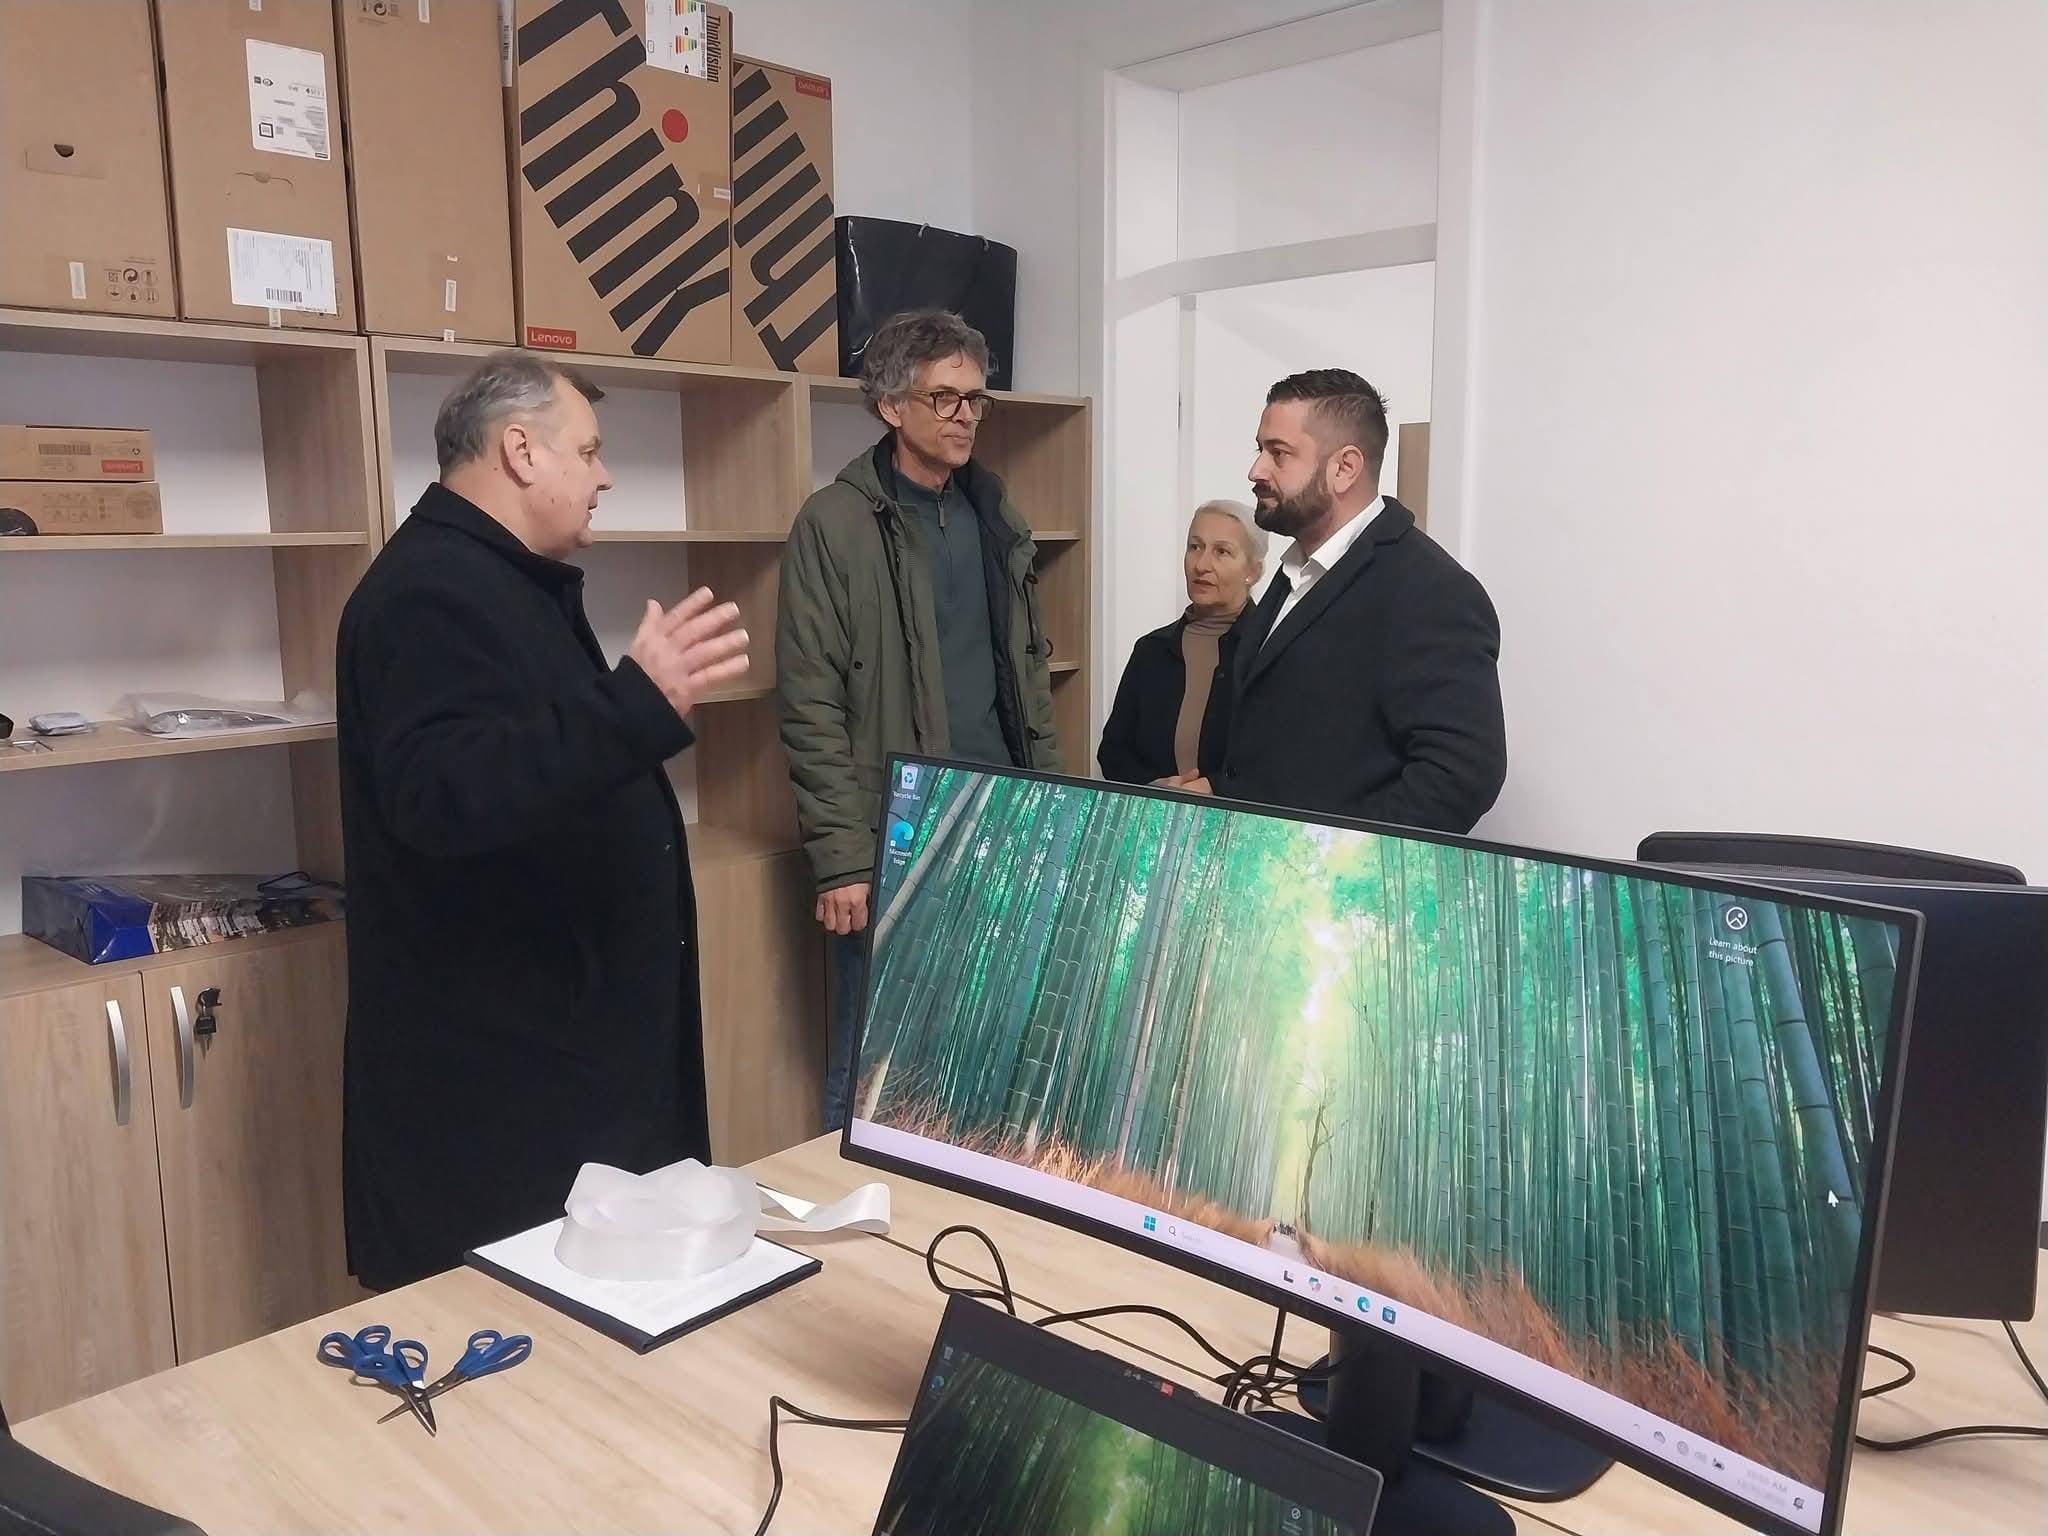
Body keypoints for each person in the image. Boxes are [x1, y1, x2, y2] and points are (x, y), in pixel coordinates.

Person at [336, 353, 749, 1291]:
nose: (606, 476)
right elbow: (445, 795)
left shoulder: (502, 580)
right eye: (591, 452)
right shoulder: (428, 593)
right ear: (521, 451)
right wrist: (631, 705)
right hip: (501, 1089)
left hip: (560, 1062)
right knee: (518, 1339)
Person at [778, 310, 1061, 1131]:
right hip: (897, 829)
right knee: (872, 1057)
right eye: (945, 398)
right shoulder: (835, 524)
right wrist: (840, 859)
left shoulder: (997, 514)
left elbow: (1027, 680)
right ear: (890, 405)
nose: (966, 415)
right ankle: (846, 1197)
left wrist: (1050, 804)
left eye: (976, 398)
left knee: (978, 1047)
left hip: (1002, 814)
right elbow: (809, 700)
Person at [1183, 368, 1505, 834]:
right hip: (1252, 863)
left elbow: (1461, 775)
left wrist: (1334, 863)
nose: (1256, 471)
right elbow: (1292, 741)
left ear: (1345, 468)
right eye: (1259, 450)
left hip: (1322, 877)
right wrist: (1219, 790)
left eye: (1278, 453)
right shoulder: (1295, 571)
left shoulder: (1432, 591)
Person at [1098, 499, 1266, 786]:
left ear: (1253, 571)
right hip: (1156, 810)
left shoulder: (1269, 652)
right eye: (1194, 547)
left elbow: (1283, 762)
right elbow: (1113, 753)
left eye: (1222, 551)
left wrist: (1216, 790)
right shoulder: (1151, 650)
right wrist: (1153, 787)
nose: (1201, 565)